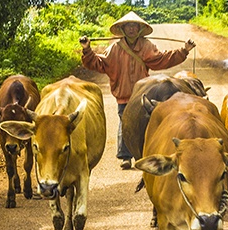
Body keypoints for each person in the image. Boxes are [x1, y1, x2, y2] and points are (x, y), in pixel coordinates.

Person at [80, 11, 196, 169]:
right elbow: (99, 63)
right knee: (125, 122)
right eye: (129, 26)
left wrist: (184, 51)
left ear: (140, 29)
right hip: (124, 94)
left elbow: (161, 59)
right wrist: (87, 50)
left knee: (147, 122)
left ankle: (148, 152)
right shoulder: (115, 48)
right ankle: (125, 156)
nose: (132, 29)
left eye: (135, 26)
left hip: (142, 93)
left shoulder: (146, 46)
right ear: (123, 29)